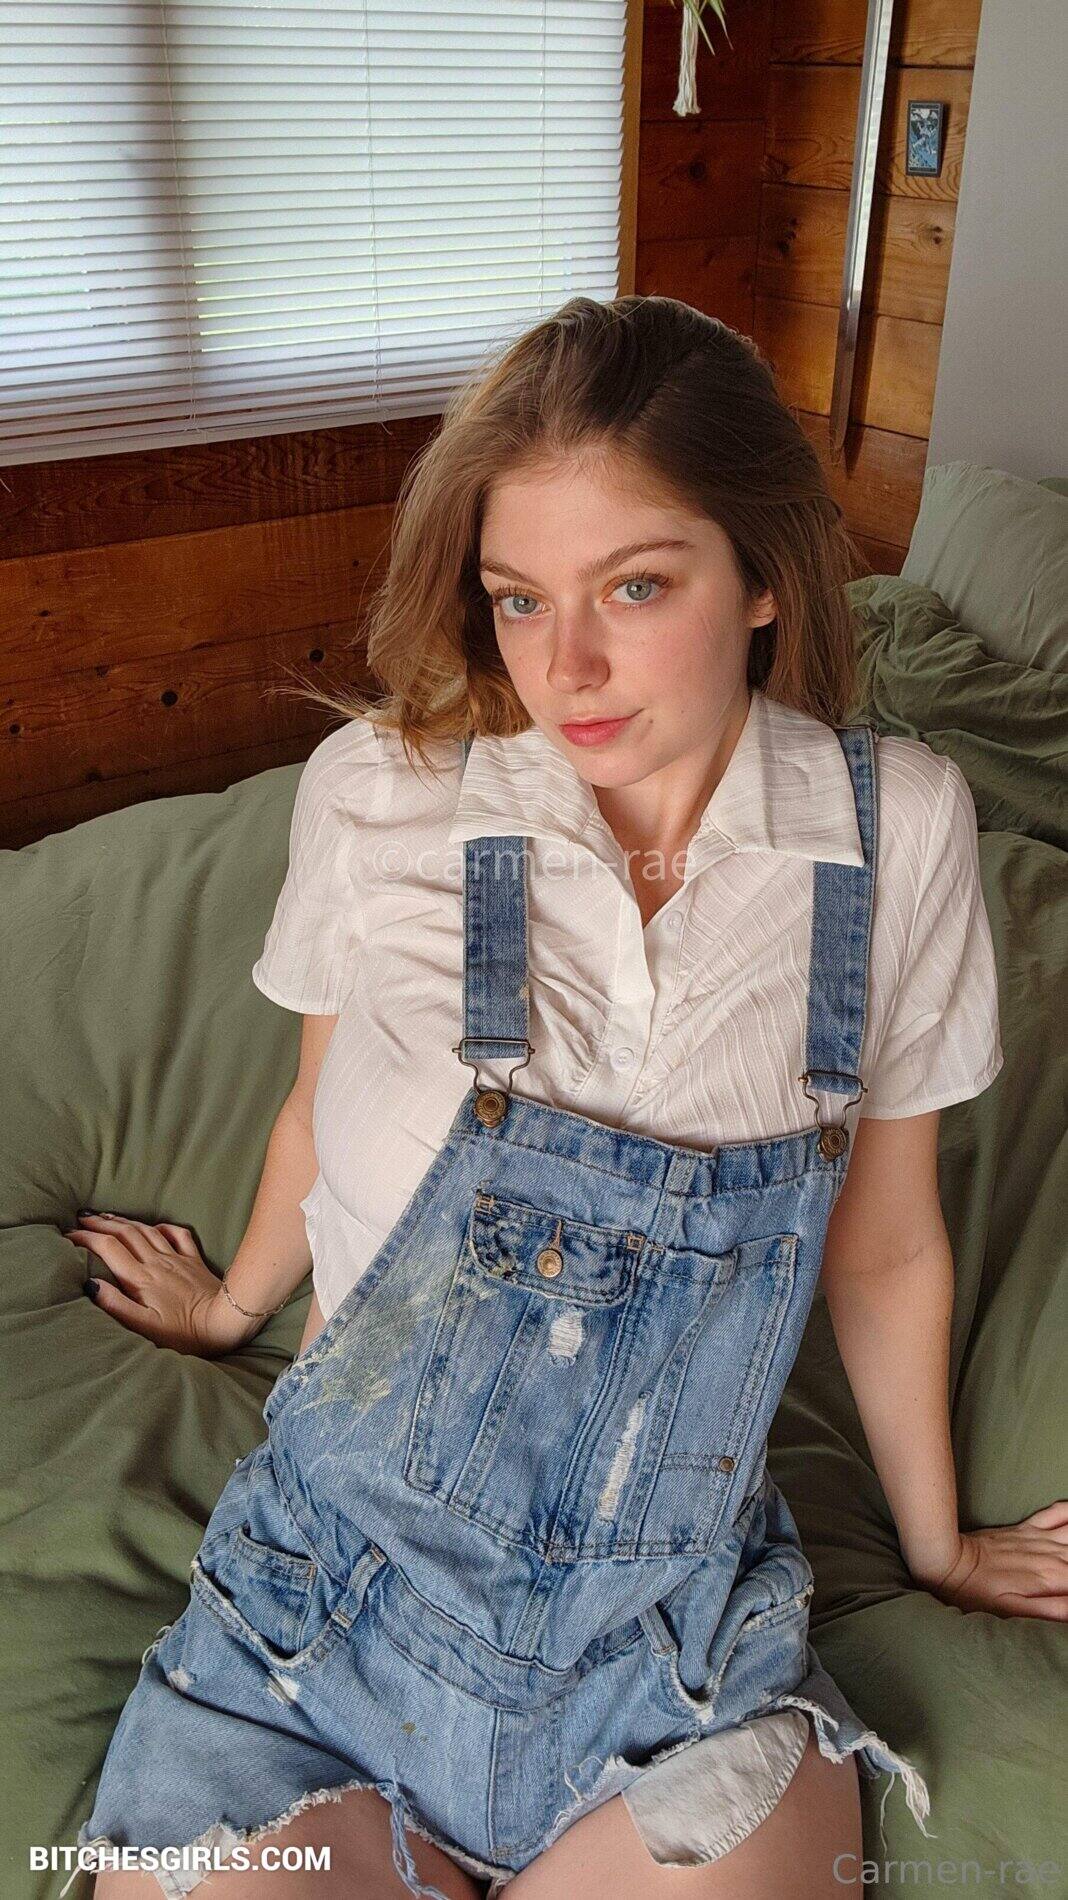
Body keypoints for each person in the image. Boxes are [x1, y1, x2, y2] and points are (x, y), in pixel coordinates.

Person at [72, 297, 1067, 1900]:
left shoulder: (896, 834)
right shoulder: (383, 794)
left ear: (763, 576)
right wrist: (231, 1307)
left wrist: (939, 1546)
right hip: (315, 1633)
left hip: (671, 1662)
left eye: (637, 586)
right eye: (520, 598)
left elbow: (886, 1247)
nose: (567, 667)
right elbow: (316, 1120)